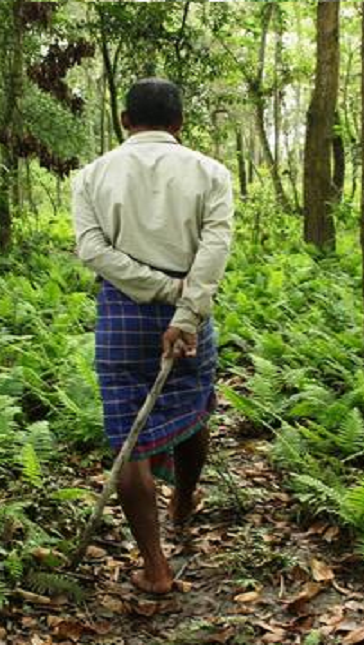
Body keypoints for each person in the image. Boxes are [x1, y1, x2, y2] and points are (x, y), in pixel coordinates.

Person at [71, 78, 234, 594]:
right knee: (193, 406)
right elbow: (215, 244)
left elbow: (92, 250)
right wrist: (183, 306)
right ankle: (184, 499)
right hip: (187, 312)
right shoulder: (210, 172)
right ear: (179, 123)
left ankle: (155, 567)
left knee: (128, 438)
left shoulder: (92, 175)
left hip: (122, 312)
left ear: (125, 120)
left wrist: (154, 289)